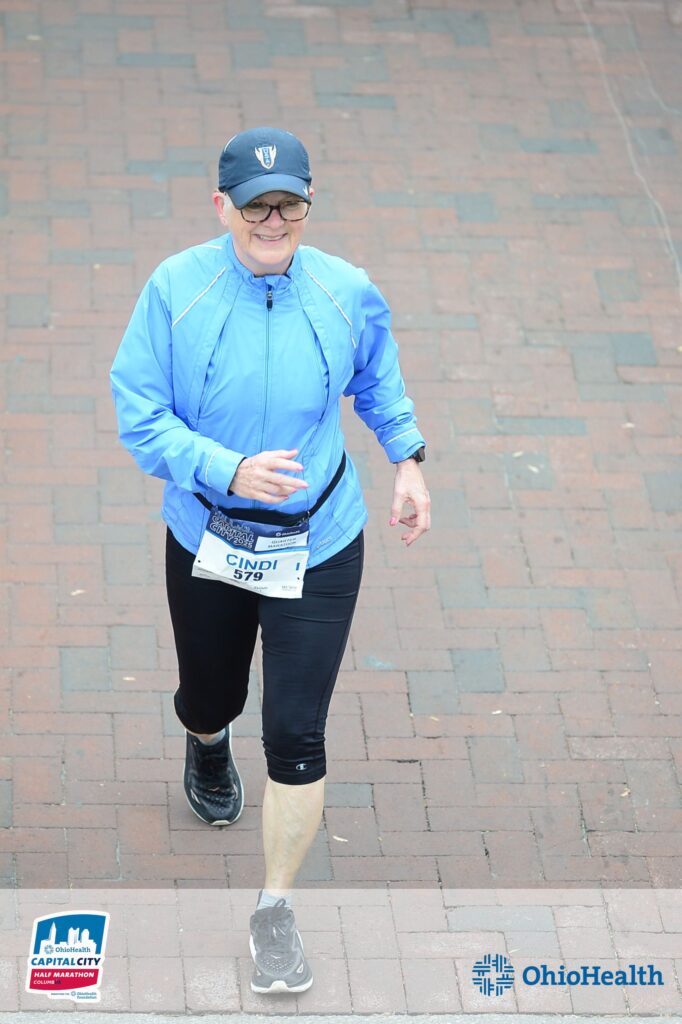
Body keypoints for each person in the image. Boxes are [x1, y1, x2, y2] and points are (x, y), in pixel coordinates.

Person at [110, 126, 430, 994]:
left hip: (320, 540)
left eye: (288, 201)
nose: (273, 217)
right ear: (223, 207)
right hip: (211, 534)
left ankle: (275, 912)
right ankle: (205, 742)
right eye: (255, 204)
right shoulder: (176, 290)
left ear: (308, 205)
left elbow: (377, 375)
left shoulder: (345, 290)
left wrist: (407, 460)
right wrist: (226, 467)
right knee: (211, 692)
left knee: (296, 730)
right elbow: (139, 416)